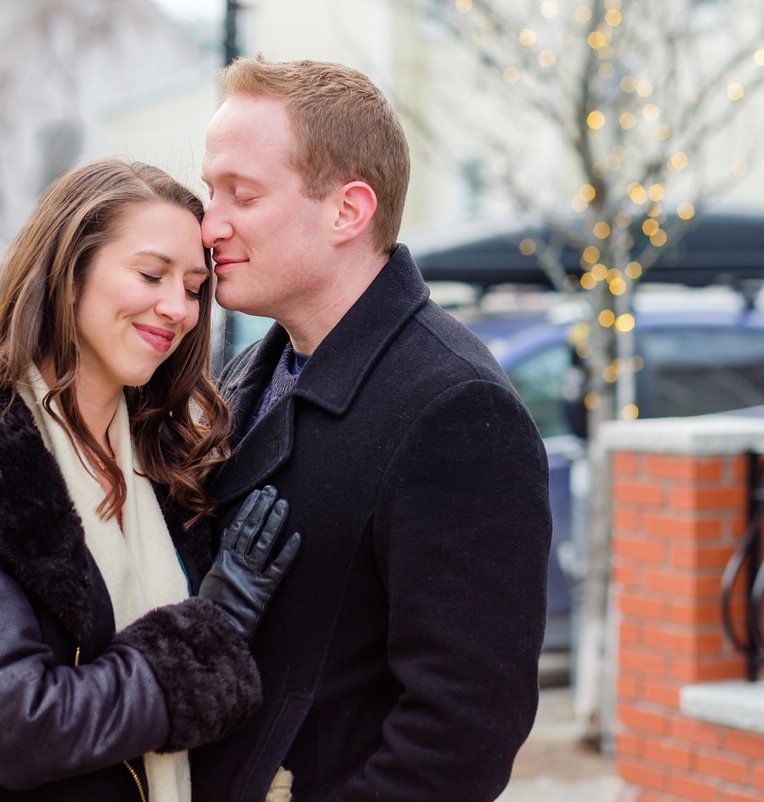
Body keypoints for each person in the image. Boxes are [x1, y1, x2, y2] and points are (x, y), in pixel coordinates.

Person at [0, 158, 299, 802]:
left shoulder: (174, 468)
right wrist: (209, 631)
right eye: (151, 274)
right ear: (69, 273)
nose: (176, 308)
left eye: (192, 287)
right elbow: (15, 728)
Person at [192, 57, 553, 802]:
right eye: (209, 192)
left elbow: (463, 734)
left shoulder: (456, 407)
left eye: (242, 194)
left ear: (348, 211)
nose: (209, 225)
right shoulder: (245, 375)